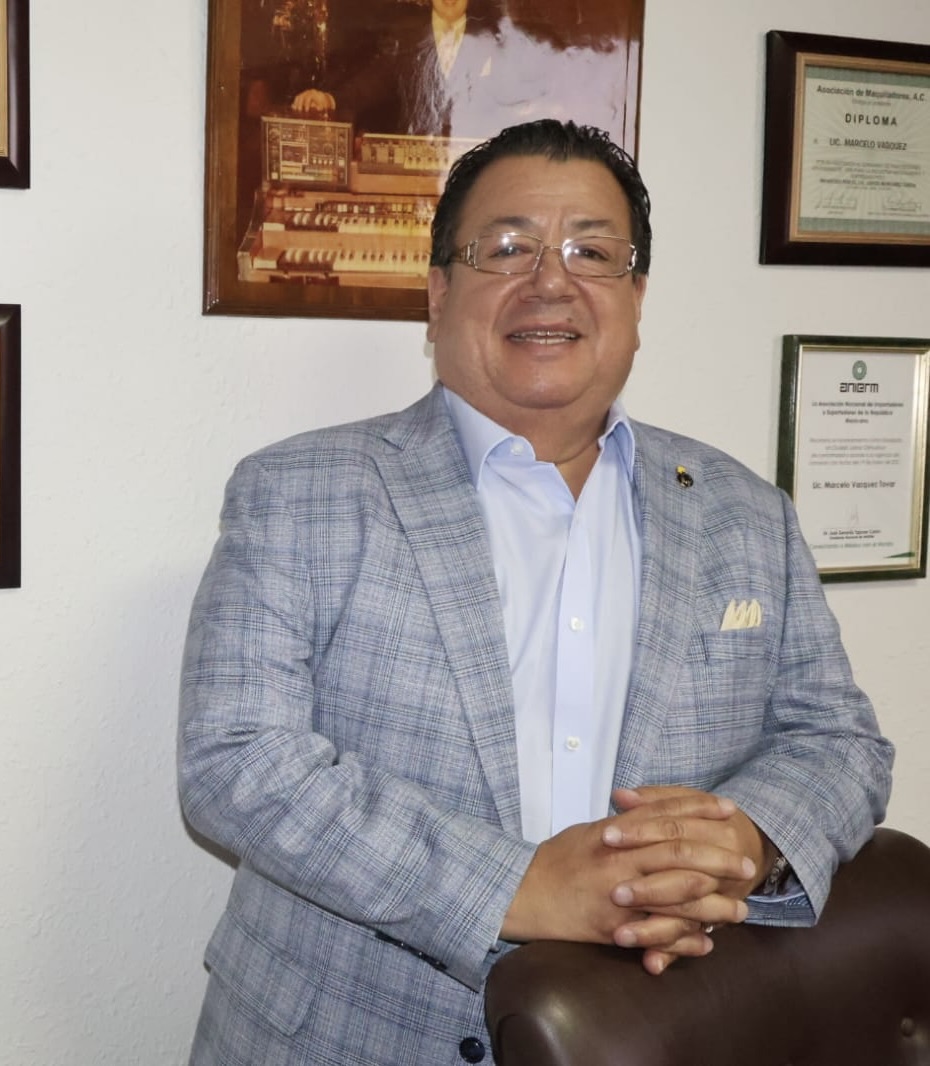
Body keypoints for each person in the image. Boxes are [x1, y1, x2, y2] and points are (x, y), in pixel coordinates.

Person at [178, 119, 894, 1066]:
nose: (551, 281)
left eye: (592, 253)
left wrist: (742, 842)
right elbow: (235, 759)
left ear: (636, 298)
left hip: (656, 1031)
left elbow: (838, 741)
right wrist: (517, 887)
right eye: (508, 247)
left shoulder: (744, 510)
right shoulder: (301, 490)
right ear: (439, 294)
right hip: (339, 1036)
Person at [291, 0, 506, 137]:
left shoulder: (493, 40)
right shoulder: (406, 37)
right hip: (414, 174)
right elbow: (372, 82)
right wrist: (329, 99)